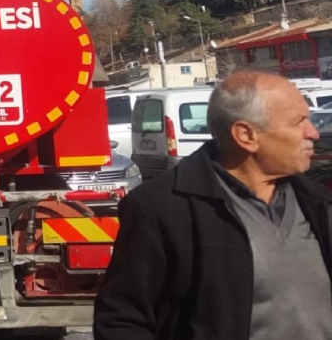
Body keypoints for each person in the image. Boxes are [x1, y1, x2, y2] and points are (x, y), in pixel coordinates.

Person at [94, 70, 332, 340]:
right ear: (246, 135)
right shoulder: (163, 208)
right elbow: (121, 320)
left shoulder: (317, 202)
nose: (313, 132)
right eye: (298, 122)